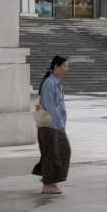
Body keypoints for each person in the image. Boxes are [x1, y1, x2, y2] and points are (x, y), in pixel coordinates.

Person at [32, 56, 71, 195]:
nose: (67, 69)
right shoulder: (49, 83)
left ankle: (51, 180)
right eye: (65, 66)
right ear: (56, 67)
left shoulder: (56, 83)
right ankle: (47, 185)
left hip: (55, 125)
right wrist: (59, 123)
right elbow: (49, 105)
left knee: (60, 152)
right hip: (50, 125)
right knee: (52, 153)